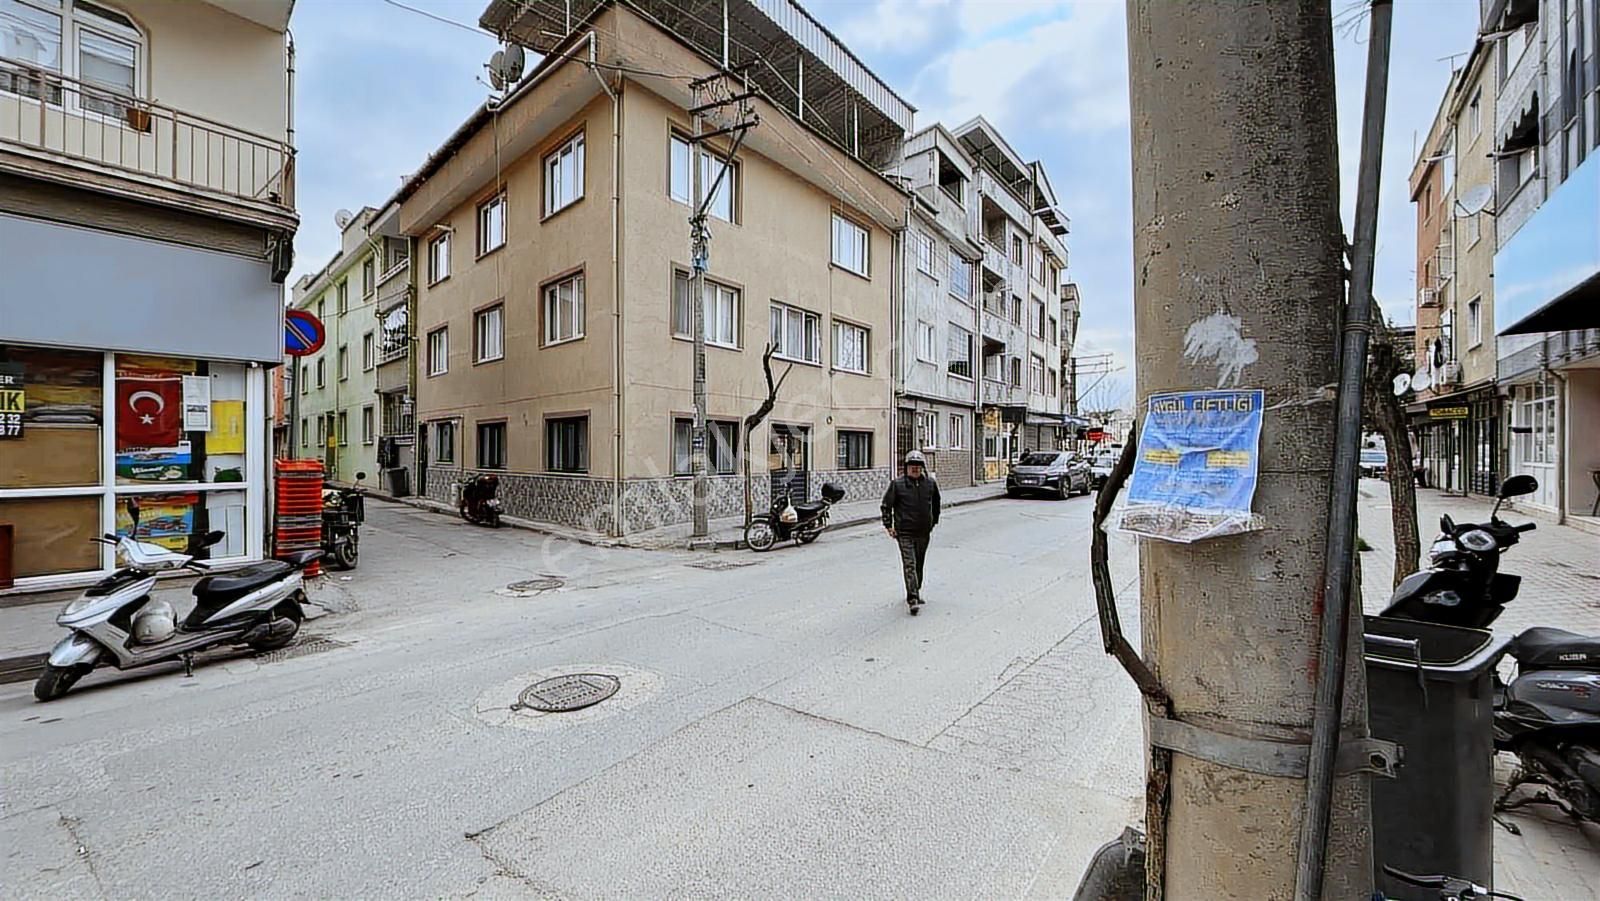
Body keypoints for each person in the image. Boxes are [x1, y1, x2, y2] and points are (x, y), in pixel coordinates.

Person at [881, 450, 941, 615]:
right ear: (906, 467)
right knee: (910, 564)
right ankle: (912, 598)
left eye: (918, 466)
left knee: (919, 563)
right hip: (904, 532)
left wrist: (933, 521)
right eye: (912, 466)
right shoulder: (897, 484)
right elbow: (886, 505)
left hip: (923, 532)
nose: (915, 469)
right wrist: (889, 525)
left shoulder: (930, 483)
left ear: (922, 468)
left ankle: (916, 588)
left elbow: (936, 504)